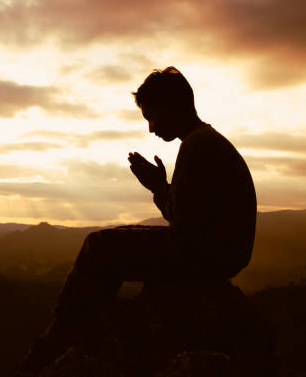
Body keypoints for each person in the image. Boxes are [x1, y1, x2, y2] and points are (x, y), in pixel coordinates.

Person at [18, 66, 257, 374]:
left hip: (207, 256)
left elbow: (182, 225)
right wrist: (162, 188)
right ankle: (83, 328)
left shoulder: (199, 146)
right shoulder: (205, 141)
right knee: (108, 245)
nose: (150, 127)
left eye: (152, 115)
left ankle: (60, 335)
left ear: (173, 105)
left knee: (99, 246)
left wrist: (159, 188)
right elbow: (190, 217)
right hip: (219, 254)